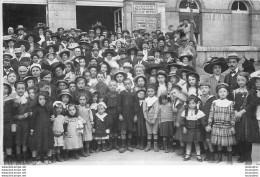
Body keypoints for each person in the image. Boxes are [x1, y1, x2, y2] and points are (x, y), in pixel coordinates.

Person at [207, 83, 236, 164]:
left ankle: (229, 159)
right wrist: (209, 124)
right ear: (218, 93)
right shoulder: (215, 102)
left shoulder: (230, 103)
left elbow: (232, 115)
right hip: (216, 125)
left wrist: (232, 126)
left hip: (227, 125)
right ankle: (219, 157)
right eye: (220, 91)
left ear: (227, 93)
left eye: (224, 91)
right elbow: (211, 114)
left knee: (228, 142)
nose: (222, 93)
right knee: (218, 142)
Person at [30, 91, 54, 165]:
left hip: (47, 129)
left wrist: (53, 118)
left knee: (48, 143)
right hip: (38, 129)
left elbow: (51, 117)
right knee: (37, 143)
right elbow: (33, 120)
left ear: (46, 100)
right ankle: (36, 158)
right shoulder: (36, 109)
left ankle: (48, 157)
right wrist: (32, 129)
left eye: (44, 99)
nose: (42, 101)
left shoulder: (49, 109)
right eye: (40, 99)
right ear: (37, 100)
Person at [181, 95, 206, 162]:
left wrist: (206, 126)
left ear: (196, 103)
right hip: (188, 130)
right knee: (188, 143)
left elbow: (203, 121)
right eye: (190, 103)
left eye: (193, 103)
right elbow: (182, 121)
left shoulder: (199, 112)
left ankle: (198, 155)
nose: (191, 105)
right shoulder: (185, 112)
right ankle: (187, 154)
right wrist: (184, 127)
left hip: (196, 130)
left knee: (196, 142)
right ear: (188, 104)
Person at [117, 78, 137, 153]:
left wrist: (135, 115)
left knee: (130, 130)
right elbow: (119, 104)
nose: (127, 85)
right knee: (123, 130)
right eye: (125, 84)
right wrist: (120, 114)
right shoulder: (121, 93)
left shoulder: (134, 93)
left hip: (131, 115)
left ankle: (129, 145)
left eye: (129, 84)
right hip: (124, 114)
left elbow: (136, 104)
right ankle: (123, 145)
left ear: (131, 84)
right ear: (124, 85)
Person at [14, 80, 31, 165]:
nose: (21, 90)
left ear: (25, 90)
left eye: (22, 88)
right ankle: (18, 158)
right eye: (19, 88)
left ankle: (24, 157)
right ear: (16, 90)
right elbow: (11, 112)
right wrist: (16, 116)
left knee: (24, 140)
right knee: (18, 141)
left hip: (25, 122)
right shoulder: (13, 100)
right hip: (17, 123)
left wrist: (27, 114)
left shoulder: (27, 99)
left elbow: (30, 109)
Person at [199, 81, 216, 162]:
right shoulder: (198, 98)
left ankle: (212, 154)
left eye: (206, 88)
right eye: (202, 88)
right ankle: (207, 153)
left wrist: (209, 123)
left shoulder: (213, 99)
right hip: (200, 122)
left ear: (209, 89)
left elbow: (214, 112)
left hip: (209, 122)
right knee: (203, 139)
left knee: (208, 139)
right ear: (199, 89)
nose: (204, 89)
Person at [143, 84, 159, 152]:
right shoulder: (145, 100)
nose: (150, 93)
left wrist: (154, 119)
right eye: (148, 91)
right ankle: (148, 145)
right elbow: (144, 110)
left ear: (154, 91)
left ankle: (155, 145)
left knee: (155, 132)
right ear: (147, 92)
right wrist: (147, 119)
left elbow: (157, 110)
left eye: (151, 91)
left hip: (155, 119)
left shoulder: (156, 100)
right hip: (148, 119)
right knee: (149, 132)